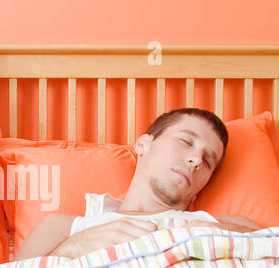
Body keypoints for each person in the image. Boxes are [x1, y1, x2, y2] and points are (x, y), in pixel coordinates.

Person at [16, 107, 260, 260]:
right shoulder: (64, 228)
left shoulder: (223, 227)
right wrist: (72, 248)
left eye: (208, 161)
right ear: (143, 144)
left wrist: (205, 233)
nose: (196, 159)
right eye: (186, 141)